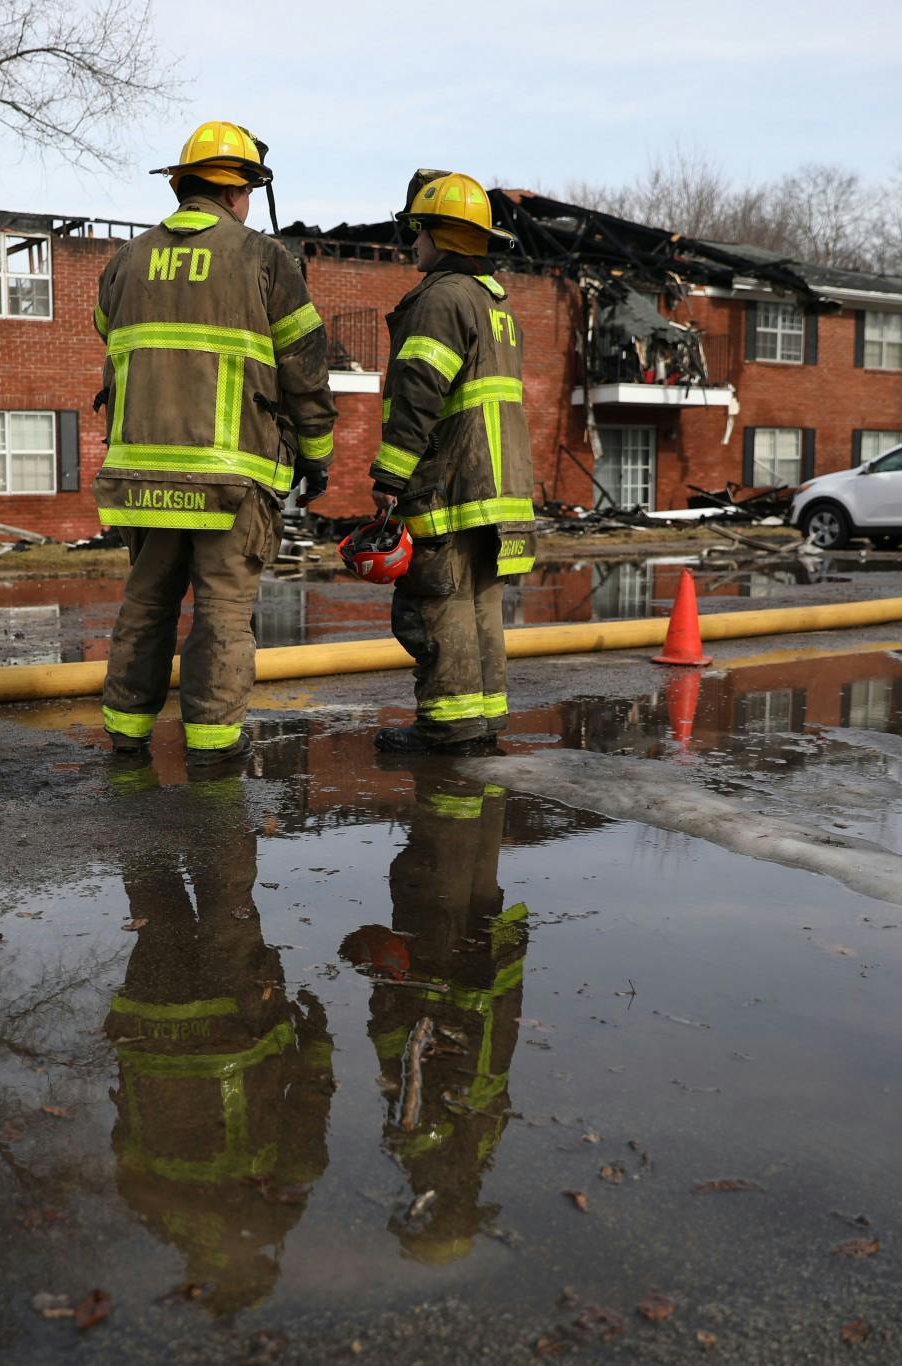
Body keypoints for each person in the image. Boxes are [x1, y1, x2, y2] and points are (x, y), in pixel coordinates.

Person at [92, 121, 337, 768]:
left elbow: (108, 336)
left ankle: (126, 733)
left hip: (143, 477)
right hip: (233, 479)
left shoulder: (125, 261)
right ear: (237, 192)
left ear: (182, 184)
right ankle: (213, 746)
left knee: (146, 602)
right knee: (224, 612)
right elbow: (306, 367)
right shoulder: (264, 259)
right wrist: (316, 452)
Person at [104, 782, 334, 1314]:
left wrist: (315, 1039)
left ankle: (216, 796)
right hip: (151, 1023)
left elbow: (307, 1112)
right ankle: (140, 806)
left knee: (227, 904)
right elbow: (123, 1130)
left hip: (238, 1021)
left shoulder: (270, 1211)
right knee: (157, 912)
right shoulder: (154, 1212)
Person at [368, 170, 538, 755]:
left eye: (418, 230)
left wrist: (391, 475)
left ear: (443, 235)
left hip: (450, 481)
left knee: (438, 604)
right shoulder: (496, 305)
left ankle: (450, 725)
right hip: (496, 486)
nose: (411, 242)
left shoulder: (441, 299)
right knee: (482, 606)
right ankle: (484, 720)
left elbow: (418, 391)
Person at [341, 771, 529, 1264]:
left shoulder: (467, 1148)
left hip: (476, 973)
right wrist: (390, 999)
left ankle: (475, 769)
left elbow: (412, 1058)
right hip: (450, 974)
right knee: (447, 870)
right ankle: (466, 767)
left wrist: (390, 1007)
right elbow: (414, 1059)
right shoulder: (444, 1150)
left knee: (474, 874)